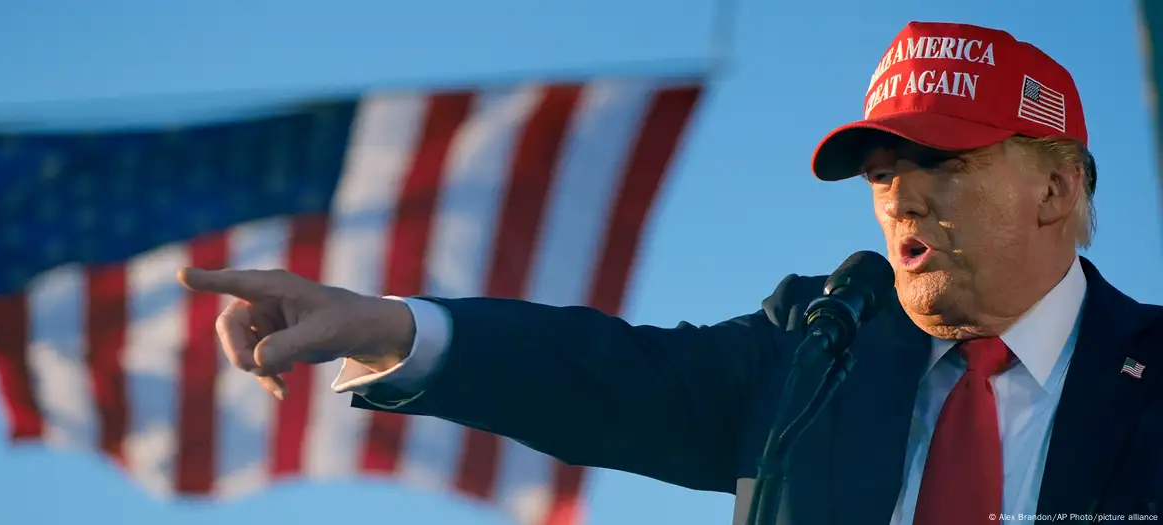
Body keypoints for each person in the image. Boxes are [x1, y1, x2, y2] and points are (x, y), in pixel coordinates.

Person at [178, 21, 1163, 525]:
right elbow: (599, 373)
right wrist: (388, 325)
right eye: (881, 171)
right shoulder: (820, 349)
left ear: (1055, 186)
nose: (902, 199)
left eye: (942, 161)